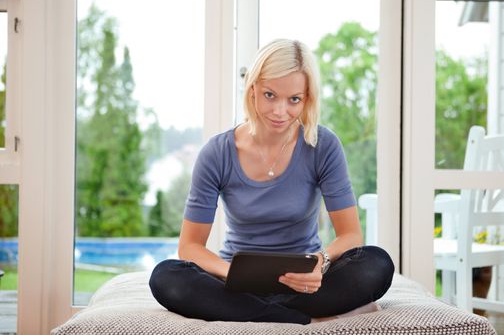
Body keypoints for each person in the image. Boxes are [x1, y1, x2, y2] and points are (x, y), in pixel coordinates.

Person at [149, 38, 394, 324]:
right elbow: (190, 247)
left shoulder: (323, 145)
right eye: (269, 95)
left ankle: (257, 313)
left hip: (304, 284)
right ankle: (300, 318)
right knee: (166, 277)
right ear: (252, 89)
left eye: (294, 100)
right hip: (235, 284)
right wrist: (230, 272)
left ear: (307, 99)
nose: (280, 111)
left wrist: (321, 261)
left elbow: (351, 235)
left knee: (376, 264)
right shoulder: (217, 153)